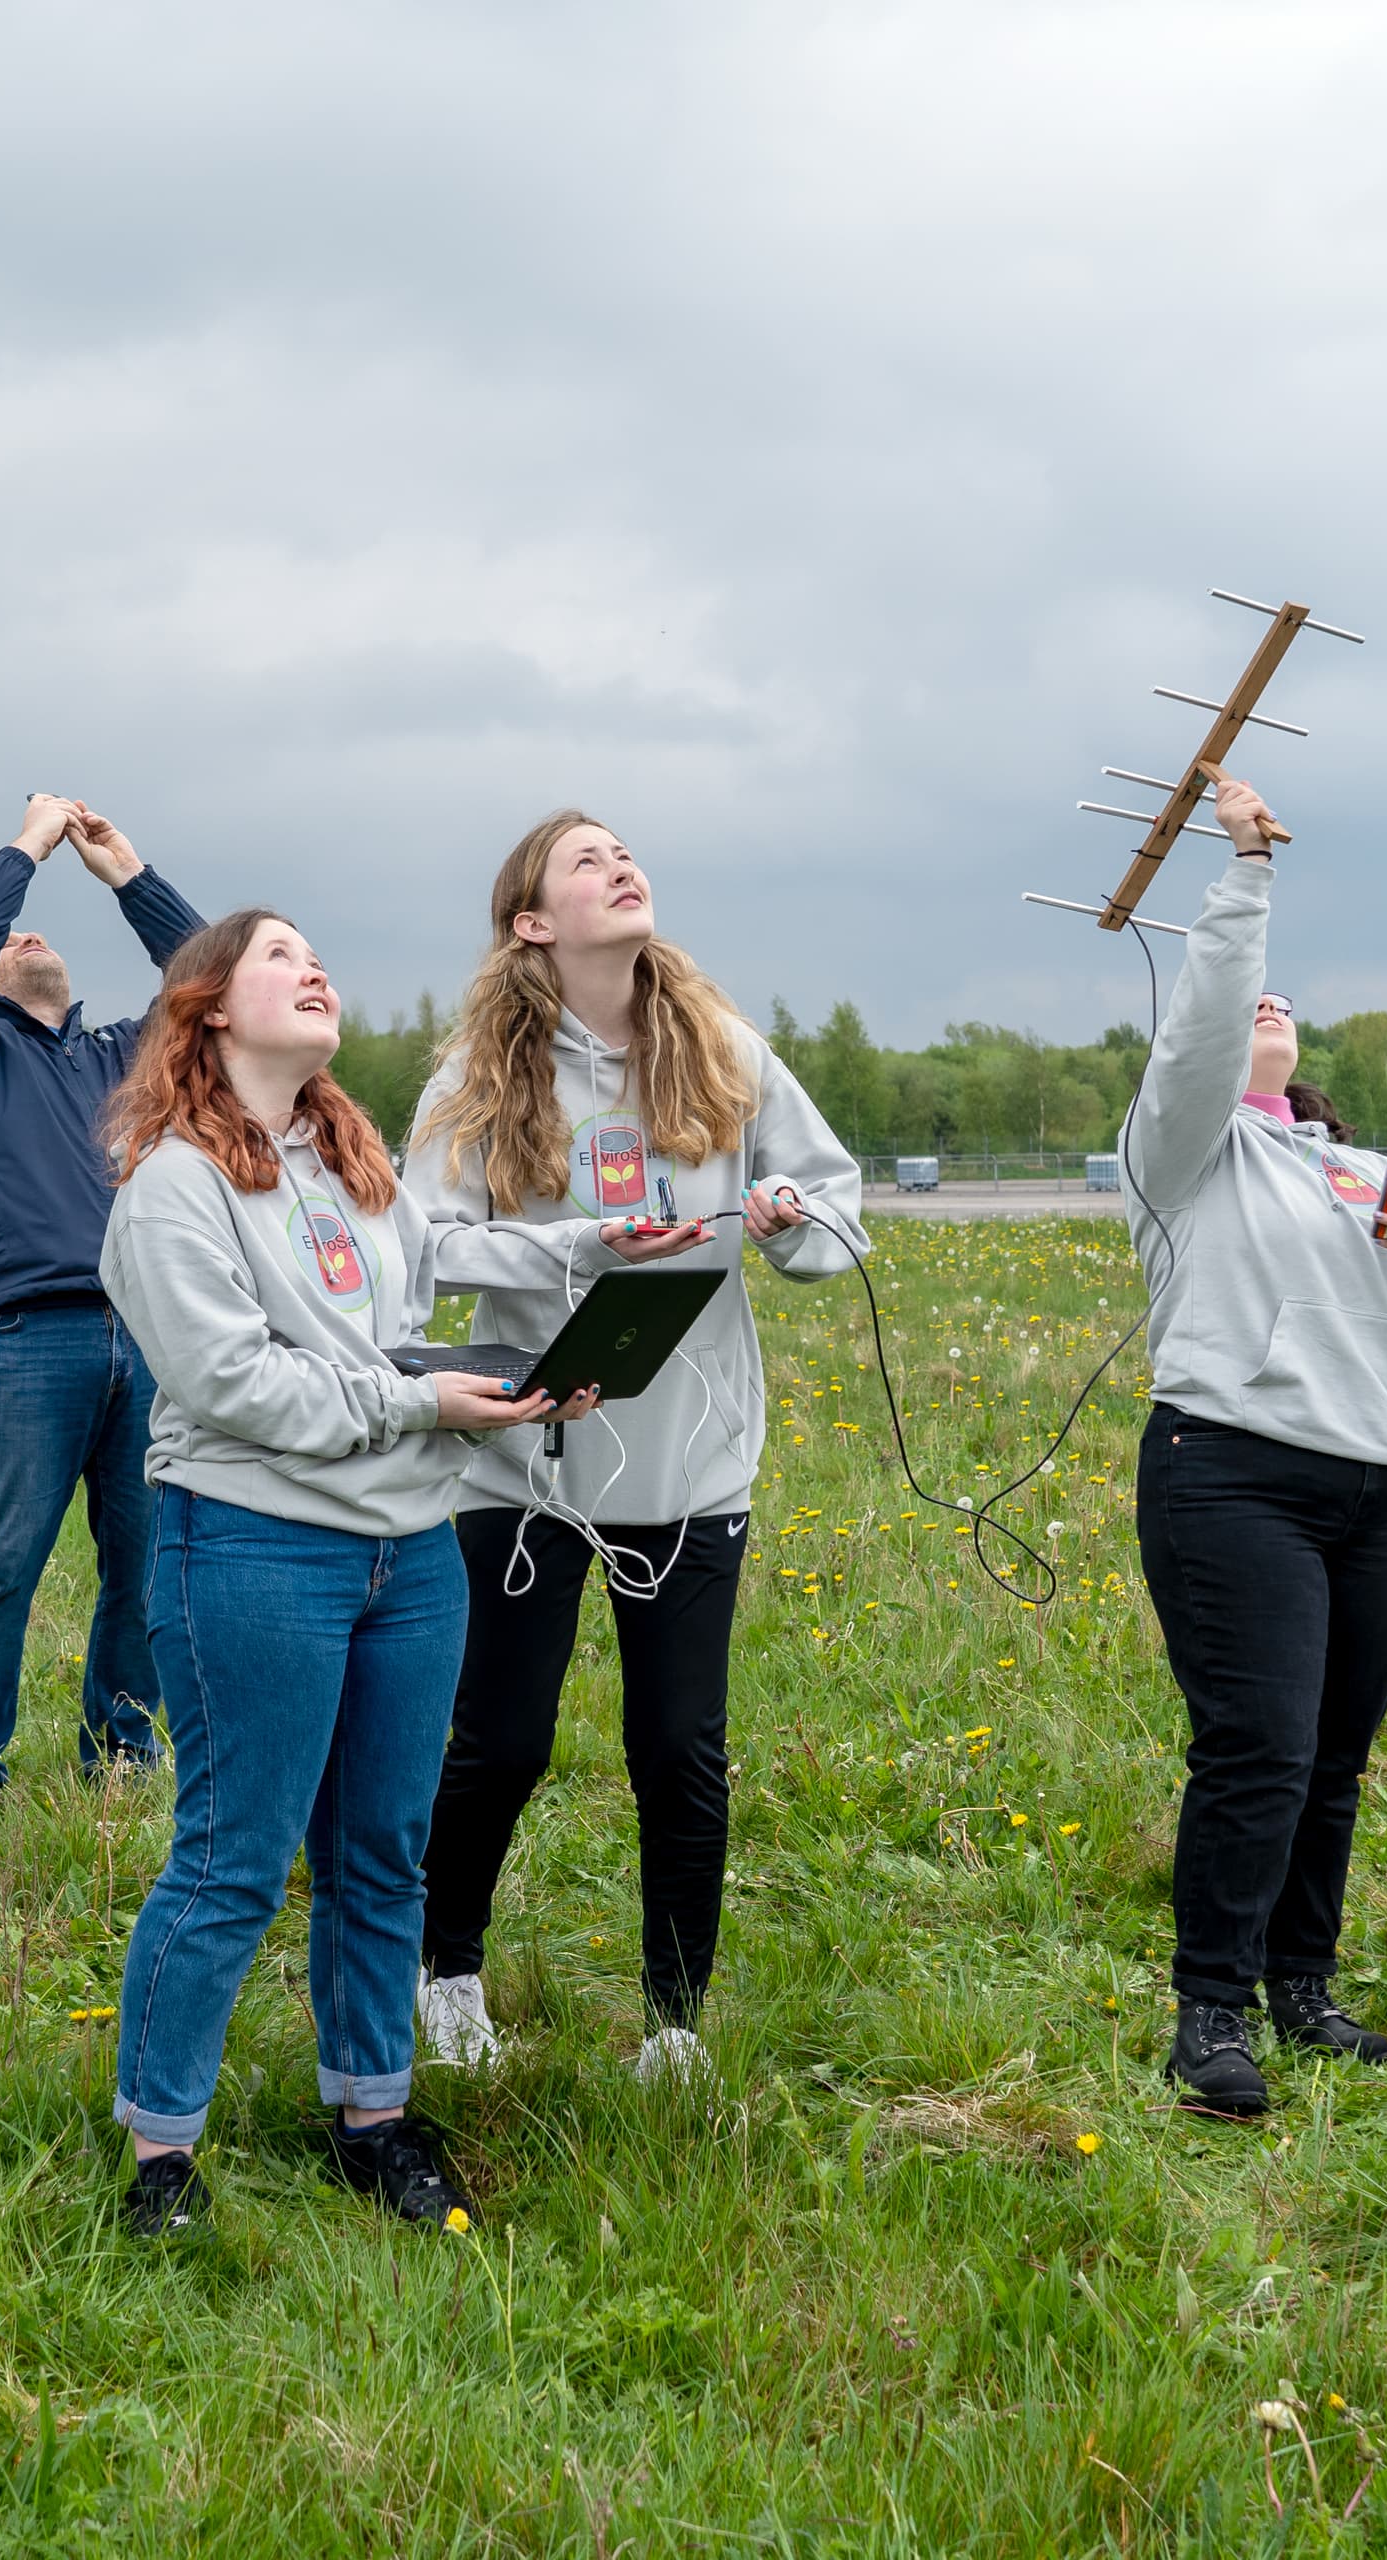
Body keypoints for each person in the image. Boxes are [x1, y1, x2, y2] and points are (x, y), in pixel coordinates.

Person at [94, 908, 585, 2238]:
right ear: (207, 1011)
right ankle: (157, 2156)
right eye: (277, 958)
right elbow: (231, 1383)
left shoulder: (349, 1159)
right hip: (251, 1545)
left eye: (318, 957)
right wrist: (429, 1409)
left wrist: (595, 1260)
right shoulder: (173, 1185)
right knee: (234, 1861)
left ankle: (375, 2119)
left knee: (382, 1853)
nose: (313, 971)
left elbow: (440, 1280)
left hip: (409, 1556)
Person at [400, 811, 866, 2085]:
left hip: (695, 1463)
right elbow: (418, 1250)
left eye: (625, 851)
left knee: (679, 1745)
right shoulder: (478, 1082)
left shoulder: (724, 1052)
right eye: (585, 859)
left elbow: (838, 1209)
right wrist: (573, 1249)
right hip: (527, 1462)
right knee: (502, 1740)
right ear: (532, 922)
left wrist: (784, 1217)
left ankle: (673, 2025)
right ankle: (444, 1977)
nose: (621, 865)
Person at [1120, 772, 1387, 2121]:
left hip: (1379, 1487)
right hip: (1233, 1475)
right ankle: (1208, 2012)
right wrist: (1244, 877)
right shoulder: (1185, 1149)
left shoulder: (1353, 1169)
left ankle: (1305, 1988)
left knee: (1334, 1754)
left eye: (1290, 1003)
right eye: (1252, 1012)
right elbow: (1207, 1025)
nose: (1272, 1012)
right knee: (1260, 1748)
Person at [0, 794, 204, 1798]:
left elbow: (213, 978)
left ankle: (120, 1761)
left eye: (37, 928)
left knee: (149, 1568)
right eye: (9, 937)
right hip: (21, 1332)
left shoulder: (123, 1054)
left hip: (148, 1336)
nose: (25, 933)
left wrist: (124, 869)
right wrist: (32, 842)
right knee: (2, 1566)